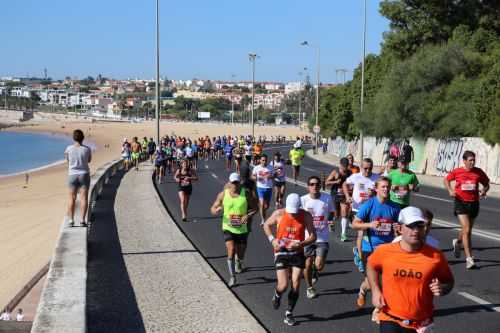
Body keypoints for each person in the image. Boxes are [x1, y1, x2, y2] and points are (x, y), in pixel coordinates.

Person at [367, 206, 454, 333]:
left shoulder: (435, 256)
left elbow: (448, 281)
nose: (415, 230)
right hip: (390, 319)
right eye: (410, 226)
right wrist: (375, 290)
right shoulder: (385, 251)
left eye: (419, 226)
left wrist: (442, 288)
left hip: (421, 324)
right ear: (400, 228)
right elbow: (371, 265)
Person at [263, 193, 316, 326]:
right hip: (281, 250)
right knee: (283, 285)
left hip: (297, 252)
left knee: (296, 283)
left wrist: (301, 244)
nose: (293, 214)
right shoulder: (279, 213)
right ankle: (277, 294)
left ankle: (289, 313)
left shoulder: (305, 215)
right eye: (290, 211)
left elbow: (313, 236)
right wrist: (272, 239)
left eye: (295, 211)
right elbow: (266, 225)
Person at [351, 176, 400, 309]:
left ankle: (376, 307)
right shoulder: (369, 204)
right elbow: (354, 224)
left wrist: (398, 229)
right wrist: (370, 225)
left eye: (387, 187)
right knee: (374, 281)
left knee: (382, 280)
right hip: (370, 248)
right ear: (376, 189)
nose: (386, 189)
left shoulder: (395, 207)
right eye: (383, 187)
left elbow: (398, 229)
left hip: (387, 249)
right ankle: (372, 301)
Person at [444, 150, 490, 269]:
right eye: (470, 160)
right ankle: (469, 259)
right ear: (464, 161)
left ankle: (458, 242)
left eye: (474, 160)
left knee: (466, 229)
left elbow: (487, 183)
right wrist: (450, 190)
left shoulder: (478, 172)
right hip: (460, 202)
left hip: (474, 203)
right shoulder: (458, 171)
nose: (472, 162)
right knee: (467, 229)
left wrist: (484, 190)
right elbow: (446, 180)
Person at [211, 173, 258, 287]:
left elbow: (255, 208)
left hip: (242, 228)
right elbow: (212, 208)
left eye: (237, 182)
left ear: (239, 182)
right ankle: (232, 277)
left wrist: (247, 215)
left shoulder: (245, 194)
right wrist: (215, 210)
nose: (235, 185)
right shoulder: (223, 194)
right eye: (233, 183)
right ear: (229, 182)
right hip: (228, 226)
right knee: (231, 250)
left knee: (241, 252)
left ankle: (239, 261)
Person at [301, 176, 335, 299]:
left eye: (317, 184)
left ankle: (316, 271)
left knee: (319, 265)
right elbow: (298, 217)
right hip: (307, 237)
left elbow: (331, 212)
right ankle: (310, 288)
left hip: (322, 236)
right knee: (307, 264)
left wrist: (330, 221)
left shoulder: (327, 198)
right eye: (312, 184)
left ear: (320, 186)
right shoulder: (303, 200)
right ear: (308, 186)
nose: (314, 186)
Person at [343, 158, 379, 270]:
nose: (367, 171)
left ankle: (361, 251)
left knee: (369, 234)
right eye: (365, 168)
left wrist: (373, 193)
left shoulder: (376, 178)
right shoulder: (356, 176)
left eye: (370, 168)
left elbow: (381, 190)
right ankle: (360, 257)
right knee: (361, 233)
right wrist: (348, 197)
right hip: (357, 209)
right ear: (361, 167)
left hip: (371, 209)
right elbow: (345, 184)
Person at [64, 129, 92, 227]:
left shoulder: (68, 148)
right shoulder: (87, 149)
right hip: (84, 174)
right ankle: (82, 220)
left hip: (72, 175)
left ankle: (71, 220)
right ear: (82, 138)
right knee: (83, 198)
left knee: (71, 198)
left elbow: (67, 160)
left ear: (73, 138)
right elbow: (89, 160)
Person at [325, 157, 352, 240]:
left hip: (344, 195)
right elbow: (326, 183)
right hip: (335, 195)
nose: (345, 168)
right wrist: (335, 182)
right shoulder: (335, 172)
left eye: (346, 166)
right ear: (340, 165)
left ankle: (343, 234)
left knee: (344, 212)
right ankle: (330, 221)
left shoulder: (349, 173)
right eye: (343, 166)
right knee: (336, 215)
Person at [251, 154, 274, 225]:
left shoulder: (270, 167)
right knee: (261, 204)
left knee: (266, 206)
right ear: (260, 160)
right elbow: (252, 176)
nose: (264, 161)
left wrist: (270, 176)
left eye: (265, 160)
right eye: (263, 160)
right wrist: (257, 178)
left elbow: (274, 175)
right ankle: (263, 220)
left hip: (269, 187)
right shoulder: (256, 168)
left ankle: (264, 214)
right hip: (260, 188)